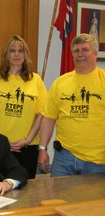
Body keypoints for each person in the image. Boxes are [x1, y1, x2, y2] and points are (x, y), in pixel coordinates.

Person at [0, 35, 47, 179]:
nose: (16, 54)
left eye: (20, 50)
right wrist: (0, 140)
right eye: (12, 50)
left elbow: (41, 115)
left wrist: (28, 140)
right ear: (6, 55)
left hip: (27, 147)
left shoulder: (36, 80)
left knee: (25, 191)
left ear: (25, 54)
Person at [38, 33, 105, 176]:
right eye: (76, 50)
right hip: (64, 158)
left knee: (94, 199)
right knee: (59, 198)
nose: (80, 54)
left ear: (95, 53)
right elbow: (48, 118)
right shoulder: (60, 83)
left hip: (98, 160)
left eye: (85, 49)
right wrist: (42, 149)